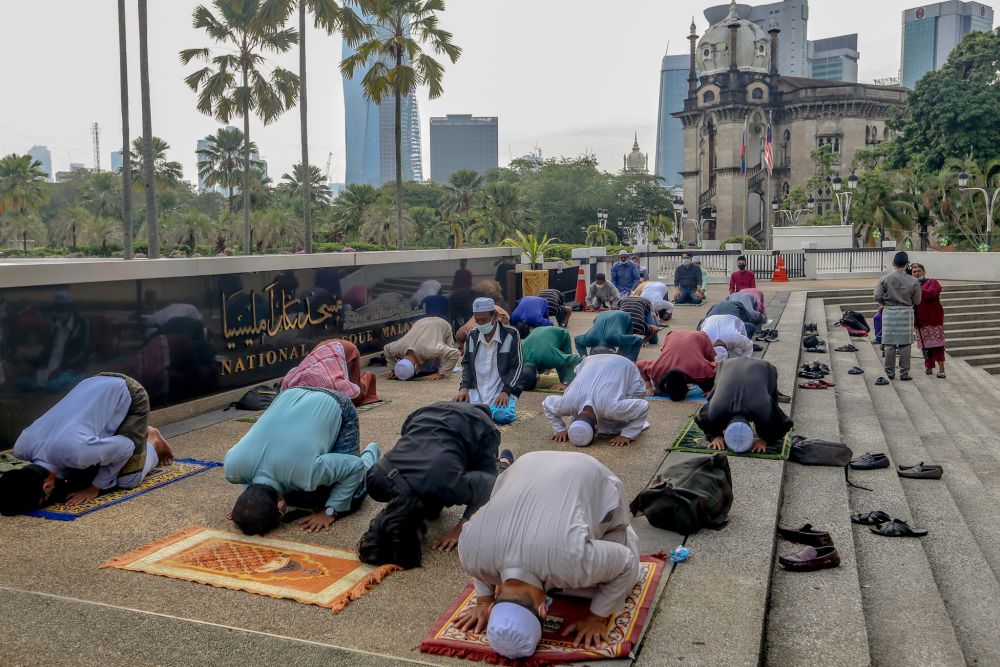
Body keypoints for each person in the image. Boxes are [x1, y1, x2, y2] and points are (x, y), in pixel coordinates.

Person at [454, 451, 640, 658]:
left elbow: (626, 561)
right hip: (527, 461)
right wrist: (484, 601)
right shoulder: (469, 552)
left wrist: (597, 619)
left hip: (591, 474)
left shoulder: (573, 561)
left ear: (544, 610)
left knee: (623, 571)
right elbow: (480, 568)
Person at [359, 402, 509, 567]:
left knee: (501, 486)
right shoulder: (376, 481)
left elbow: (489, 485)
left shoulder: (450, 484)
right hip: (425, 413)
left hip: (478, 424)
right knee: (431, 507)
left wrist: (462, 527)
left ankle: (503, 462)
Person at [0, 373, 173, 515]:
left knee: (128, 480)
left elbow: (126, 447)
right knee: (81, 476)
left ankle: (152, 440)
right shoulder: (21, 448)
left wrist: (95, 488)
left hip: (129, 392)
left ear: (46, 486)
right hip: (92, 383)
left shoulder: (77, 453)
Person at [224, 387, 379, 534]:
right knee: (308, 495)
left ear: (281, 506)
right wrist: (247, 509)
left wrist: (330, 512)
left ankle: (371, 453)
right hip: (289, 393)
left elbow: (355, 466)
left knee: (353, 495)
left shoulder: (308, 473)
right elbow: (246, 477)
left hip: (336, 403)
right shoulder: (232, 468)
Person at [542, 354, 649, 448]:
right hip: (591, 361)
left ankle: (623, 417)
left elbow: (643, 406)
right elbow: (546, 403)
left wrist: (627, 435)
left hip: (625, 364)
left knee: (620, 413)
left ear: (597, 429)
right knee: (615, 415)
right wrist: (560, 430)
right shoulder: (568, 404)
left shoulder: (611, 407)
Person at [695, 357, 793, 453]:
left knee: (771, 409)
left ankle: (767, 426)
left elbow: (786, 423)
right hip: (725, 366)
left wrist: (765, 440)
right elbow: (699, 418)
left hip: (765, 368)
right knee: (713, 398)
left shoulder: (762, 409)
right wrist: (716, 436)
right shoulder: (716, 410)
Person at [456, 298, 523, 410]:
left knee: (502, 416)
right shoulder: (472, 335)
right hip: (476, 392)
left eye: (484, 320)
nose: (480, 324)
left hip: (501, 392)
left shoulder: (511, 335)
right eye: (477, 320)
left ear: (495, 316)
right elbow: (466, 364)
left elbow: (517, 366)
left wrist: (506, 391)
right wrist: (463, 388)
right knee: (455, 411)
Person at [282, 339, 379, 406]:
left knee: (356, 397)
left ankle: (368, 377)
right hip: (325, 348)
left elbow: (353, 392)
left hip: (345, 348)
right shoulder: (292, 382)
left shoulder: (327, 383)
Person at [874, 251, 922, 381]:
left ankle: (889, 373)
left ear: (893, 263)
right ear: (907, 264)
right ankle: (904, 374)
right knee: (905, 344)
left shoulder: (884, 278)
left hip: (889, 312)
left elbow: (877, 296)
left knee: (889, 344)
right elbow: (917, 301)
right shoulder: (914, 281)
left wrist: (886, 301)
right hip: (906, 313)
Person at [637, 330, 717, 401]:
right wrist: (648, 387)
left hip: (699, 336)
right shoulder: (658, 369)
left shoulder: (701, 370)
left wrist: (711, 388)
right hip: (673, 336)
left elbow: (720, 366)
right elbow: (640, 364)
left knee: (710, 362)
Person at [384, 316, 461, 381]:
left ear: (416, 366)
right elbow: (386, 348)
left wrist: (441, 373)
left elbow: (455, 353)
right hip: (420, 322)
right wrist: (394, 369)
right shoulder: (398, 349)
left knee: (445, 362)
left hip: (441, 324)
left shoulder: (431, 349)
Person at [519, 326, 584, 393]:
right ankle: (555, 357)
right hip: (538, 331)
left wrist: (566, 383)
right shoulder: (518, 356)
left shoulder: (547, 356)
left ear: (538, 377)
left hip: (560, 333)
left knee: (565, 368)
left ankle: (562, 359)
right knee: (552, 359)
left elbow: (576, 360)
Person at [911, 263, 945, 378]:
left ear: (924, 272)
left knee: (937, 346)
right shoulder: (912, 286)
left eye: (918, 271)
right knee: (925, 347)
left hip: (934, 320)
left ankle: (941, 370)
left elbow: (932, 294)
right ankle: (928, 367)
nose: (916, 273)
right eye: (914, 272)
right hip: (920, 322)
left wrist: (917, 288)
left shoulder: (932, 282)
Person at [574, 310, 643, 362]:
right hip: (601, 315)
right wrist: (584, 358)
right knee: (624, 348)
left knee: (625, 353)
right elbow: (576, 339)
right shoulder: (589, 339)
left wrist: (631, 360)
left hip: (623, 316)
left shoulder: (615, 338)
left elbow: (638, 340)